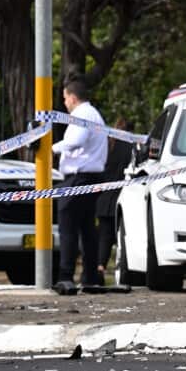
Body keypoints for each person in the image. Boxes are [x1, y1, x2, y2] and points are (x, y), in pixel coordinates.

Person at [51, 76, 108, 293]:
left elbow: (76, 141)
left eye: (65, 98)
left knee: (68, 228)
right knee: (87, 229)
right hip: (90, 177)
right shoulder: (94, 114)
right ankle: (90, 277)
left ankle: (66, 276)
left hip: (79, 178)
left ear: (73, 98)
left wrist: (51, 148)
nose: (64, 103)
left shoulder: (82, 115)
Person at [96, 118, 135, 284]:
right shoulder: (132, 147)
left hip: (103, 198)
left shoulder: (107, 145)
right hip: (123, 198)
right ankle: (124, 269)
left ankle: (100, 268)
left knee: (104, 237)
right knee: (123, 236)